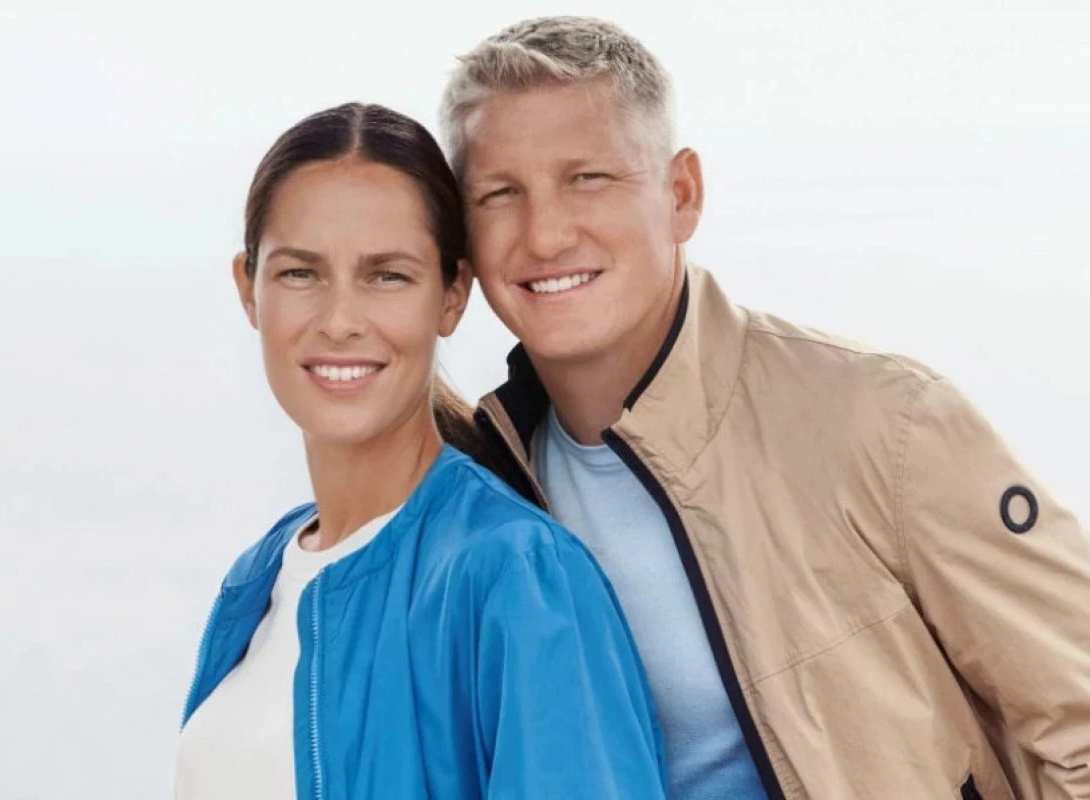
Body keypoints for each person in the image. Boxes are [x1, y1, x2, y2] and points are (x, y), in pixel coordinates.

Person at [440, 16, 1090, 800]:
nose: (544, 235)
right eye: (500, 193)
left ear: (682, 194)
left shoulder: (885, 423)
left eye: (589, 178)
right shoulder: (482, 489)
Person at [172, 102, 666, 799]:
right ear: (248, 290)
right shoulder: (258, 579)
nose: (340, 321)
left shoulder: (517, 574)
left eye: (388, 276)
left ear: (452, 295)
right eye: (300, 274)